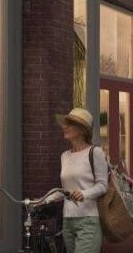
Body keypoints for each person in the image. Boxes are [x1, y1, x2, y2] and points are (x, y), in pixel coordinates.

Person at [49, 108, 108, 253]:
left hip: (88, 220)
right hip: (68, 220)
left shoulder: (95, 152)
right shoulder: (65, 156)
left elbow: (102, 185)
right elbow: (65, 191)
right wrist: (45, 199)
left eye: (70, 124)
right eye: (65, 124)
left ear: (82, 130)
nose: (64, 127)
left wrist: (84, 194)